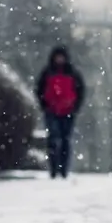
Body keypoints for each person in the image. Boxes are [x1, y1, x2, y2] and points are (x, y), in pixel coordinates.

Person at [36, 45, 85, 179]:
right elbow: (40, 90)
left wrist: (74, 107)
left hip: (67, 111)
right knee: (54, 139)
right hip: (52, 110)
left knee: (64, 140)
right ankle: (54, 168)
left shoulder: (72, 73)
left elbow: (80, 91)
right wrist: (45, 105)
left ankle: (63, 169)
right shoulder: (48, 73)